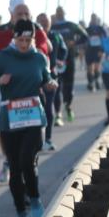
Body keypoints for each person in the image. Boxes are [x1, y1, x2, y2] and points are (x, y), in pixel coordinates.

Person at [0, 19, 57, 217]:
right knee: (15, 168)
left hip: (33, 116)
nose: (24, 44)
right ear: (14, 38)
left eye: (28, 40)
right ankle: (21, 213)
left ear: (33, 39)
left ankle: (34, 199)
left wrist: (50, 84)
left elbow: (47, 78)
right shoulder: (3, 58)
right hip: (9, 120)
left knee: (27, 160)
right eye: (21, 40)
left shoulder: (39, 58)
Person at [0, 0, 52, 183]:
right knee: (6, 129)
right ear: (11, 15)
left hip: (31, 90)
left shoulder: (37, 31)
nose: (23, 16)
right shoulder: (2, 34)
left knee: (33, 132)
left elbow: (45, 51)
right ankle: (8, 159)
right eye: (19, 14)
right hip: (7, 92)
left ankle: (30, 164)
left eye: (26, 14)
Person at [49, 6, 88, 125]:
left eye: (61, 11)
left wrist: (74, 43)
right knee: (57, 86)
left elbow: (85, 36)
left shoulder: (71, 25)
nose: (60, 14)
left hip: (69, 59)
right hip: (55, 60)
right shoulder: (52, 26)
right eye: (58, 12)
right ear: (55, 14)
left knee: (69, 86)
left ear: (65, 13)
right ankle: (58, 114)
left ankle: (68, 106)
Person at [36, 13, 67, 151]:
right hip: (34, 76)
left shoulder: (56, 36)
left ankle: (47, 139)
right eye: (41, 21)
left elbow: (63, 50)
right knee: (37, 107)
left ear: (50, 23)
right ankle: (36, 139)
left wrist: (60, 60)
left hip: (51, 75)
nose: (43, 23)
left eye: (46, 21)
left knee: (48, 106)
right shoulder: (32, 35)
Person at [84, 14, 106, 92]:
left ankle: (97, 80)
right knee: (90, 68)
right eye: (92, 18)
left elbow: (105, 40)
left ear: (97, 19)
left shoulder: (101, 29)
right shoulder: (87, 29)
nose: (93, 20)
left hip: (98, 50)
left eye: (95, 18)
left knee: (97, 67)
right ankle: (91, 83)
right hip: (89, 50)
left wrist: (103, 50)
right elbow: (84, 39)